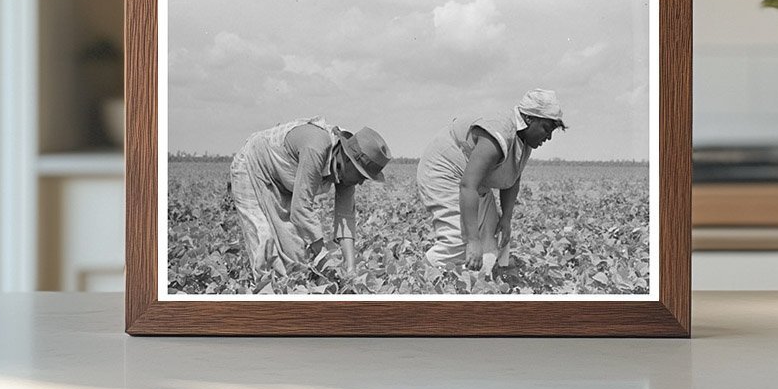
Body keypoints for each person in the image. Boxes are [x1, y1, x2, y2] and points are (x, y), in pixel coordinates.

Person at [416, 89, 565, 272]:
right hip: (444, 169)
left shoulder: (523, 140)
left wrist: (506, 218)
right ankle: (418, 276)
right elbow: (468, 185)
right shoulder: (499, 132)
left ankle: (477, 285)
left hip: (474, 179)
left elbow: (512, 178)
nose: (548, 137)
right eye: (546, 128)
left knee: (492, 237)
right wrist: (472, 240)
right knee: (458, 241)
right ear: (529, 119)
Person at [230, 117, 391, 280]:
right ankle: (267, 297)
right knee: (264, 244)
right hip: (253, 165)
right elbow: (300, 209)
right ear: (349, 160)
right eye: (362, 175)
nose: (362, 182)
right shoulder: (317, 147)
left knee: (295, 255)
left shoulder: (346, 170)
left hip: (285, 182)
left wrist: (350, 269)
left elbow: (345, 217)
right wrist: (324, 258)